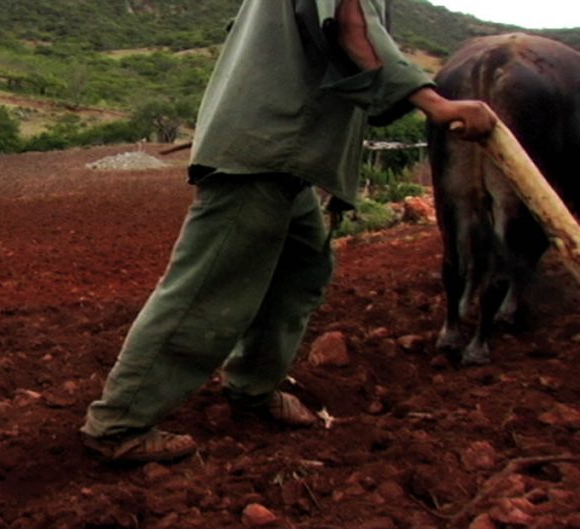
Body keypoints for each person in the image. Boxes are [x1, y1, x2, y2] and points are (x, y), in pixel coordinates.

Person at [80, 0, 497, 464]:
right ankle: (118, 424)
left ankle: (251, 387)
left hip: (282, 154)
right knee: (204, 289)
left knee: (302, 269)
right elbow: (352, 27)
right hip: (267, 152)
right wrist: (436, 103)